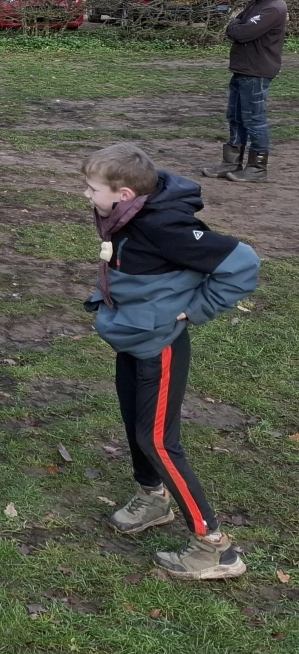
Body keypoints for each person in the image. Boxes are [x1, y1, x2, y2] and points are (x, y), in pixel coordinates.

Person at [80, 142, 258, 580]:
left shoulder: (164, 226)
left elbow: (243, 263)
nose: (86, 195)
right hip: (134, 338)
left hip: (159, 347)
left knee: (159, 440)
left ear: (124, 194)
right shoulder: (125, 214)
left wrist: (192, 310)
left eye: (92, 188)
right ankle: (152, 497)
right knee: (135, 427)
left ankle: (214, 547)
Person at [201, 0, 287, 184]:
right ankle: (231, 163)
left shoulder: (273, 7)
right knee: (236, 118)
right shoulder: (256, 3)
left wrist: (236, 27)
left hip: (257, 72)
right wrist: (236, 26)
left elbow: (240, 32)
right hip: (242, 69)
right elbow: (236, 26)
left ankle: (258, 167)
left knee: (254, 119)